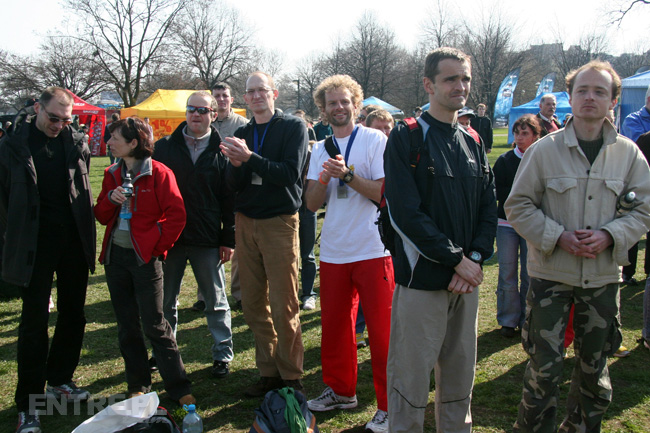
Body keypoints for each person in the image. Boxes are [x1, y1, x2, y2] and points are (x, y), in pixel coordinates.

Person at [505, 60, 650, 433]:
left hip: (602, 280)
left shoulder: (629, 155)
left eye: (600, 91)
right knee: (543, 373)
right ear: (570, 97)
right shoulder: (543, 151)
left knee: (594, 373)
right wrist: (558, 237)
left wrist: (610, 235)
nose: (590, 97)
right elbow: (517, 206)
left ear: (613, 100)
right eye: (582, 90)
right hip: (550, 278)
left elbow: (644, 210)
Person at [384, 47, 497, 433]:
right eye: (451, 79)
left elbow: (488, 206)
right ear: (429, 84)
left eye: (465, 78)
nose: (460, 86)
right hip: (423, 281)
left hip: (466, 282)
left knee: (460, 378)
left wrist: (475, 258)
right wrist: (455, 260)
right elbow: (405, 213)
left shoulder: (474, 140)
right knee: (410, 380)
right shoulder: (406, 137)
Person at [0, 87, 96, 433]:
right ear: (38, 109)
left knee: (74, 314)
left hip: (72, 241)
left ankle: (59, 380)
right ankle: (28, 404)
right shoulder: (13, 144)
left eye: (66, 120)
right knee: (34, 322)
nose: (59, 125)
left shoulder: (76, 142)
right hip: (33, 244)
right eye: (54, 118)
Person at [305, 75, 394, 433]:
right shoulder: (319, 148)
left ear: (357, 105)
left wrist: (348, 175)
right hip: (334, 251)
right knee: (336, 328)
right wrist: (325, 178)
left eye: (345, 101)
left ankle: (389, 406)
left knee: (383, 332)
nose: (339, 107)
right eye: (332, 103)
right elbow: (311, 204)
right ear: (323, 109)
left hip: (373, 248)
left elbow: (384, 193)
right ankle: (342, 391)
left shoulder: (374, 140)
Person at [95, 117, 195, 406]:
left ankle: (178, 387)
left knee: (155, 325)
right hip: (115, 258)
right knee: (127, 325)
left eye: (114, 138)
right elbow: (100, 215)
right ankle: (138, 383)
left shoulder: (160, 173)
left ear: (133, 143)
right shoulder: (112, 173)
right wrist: (111, 199)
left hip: (145, 260)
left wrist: (155, 248)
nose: (109, 143)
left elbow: (177, 216)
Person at [220, 71, 308, 397]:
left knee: (284, 303)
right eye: (251, 92)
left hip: (279, 222)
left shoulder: (293, 127)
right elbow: (232, 185)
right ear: (245, 98)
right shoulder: (243, 132)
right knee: (253, 303)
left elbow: (288, 174)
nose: (256, 96)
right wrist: (235, 165)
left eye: (262, 90)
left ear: (274, 93)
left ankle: (291, 375)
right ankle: (268, 372)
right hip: (246, 221)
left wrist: (249, 158)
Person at [153, 91, 235, 379]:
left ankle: (222, 354)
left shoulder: (222, 150)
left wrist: (228, 238)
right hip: (169, 238)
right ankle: (163, 353)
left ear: (214, 114)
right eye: (191, 109)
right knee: (165, 302)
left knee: (216, 301)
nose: (196, 114)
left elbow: (229, 199)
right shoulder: (164, 147)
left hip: (207, 237)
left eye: (202, 110)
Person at [493, 114, 541, 338]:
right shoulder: (505, 160)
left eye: (525, 133)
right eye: (516, 133)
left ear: (535, 135)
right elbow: (496, 190)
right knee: (507, 272)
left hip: (532, 224)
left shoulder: (541, 159)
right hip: (506, 224)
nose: (520, 137)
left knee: (530, 273)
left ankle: (528, 318)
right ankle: (508, 320)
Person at [207, 82, 248, 312]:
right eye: (217, 96)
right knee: (209, 242)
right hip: (211, 190)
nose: (221, 99)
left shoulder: (242, 124)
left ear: (232, 99)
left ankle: (239, 293)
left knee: (238, 243)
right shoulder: (205, 121)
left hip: (236, 189)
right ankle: (207, 293)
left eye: (225, 95)